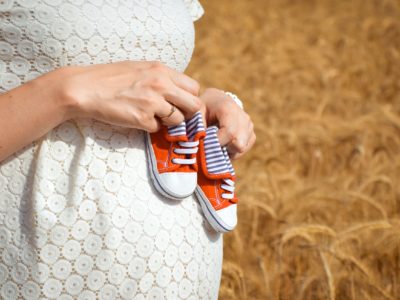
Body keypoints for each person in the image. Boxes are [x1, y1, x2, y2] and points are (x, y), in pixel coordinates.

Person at [0, 1, 256, 299]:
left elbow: (144, 64)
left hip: (178, 268)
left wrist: (197, 103)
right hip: (46, 268)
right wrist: (67, 91)